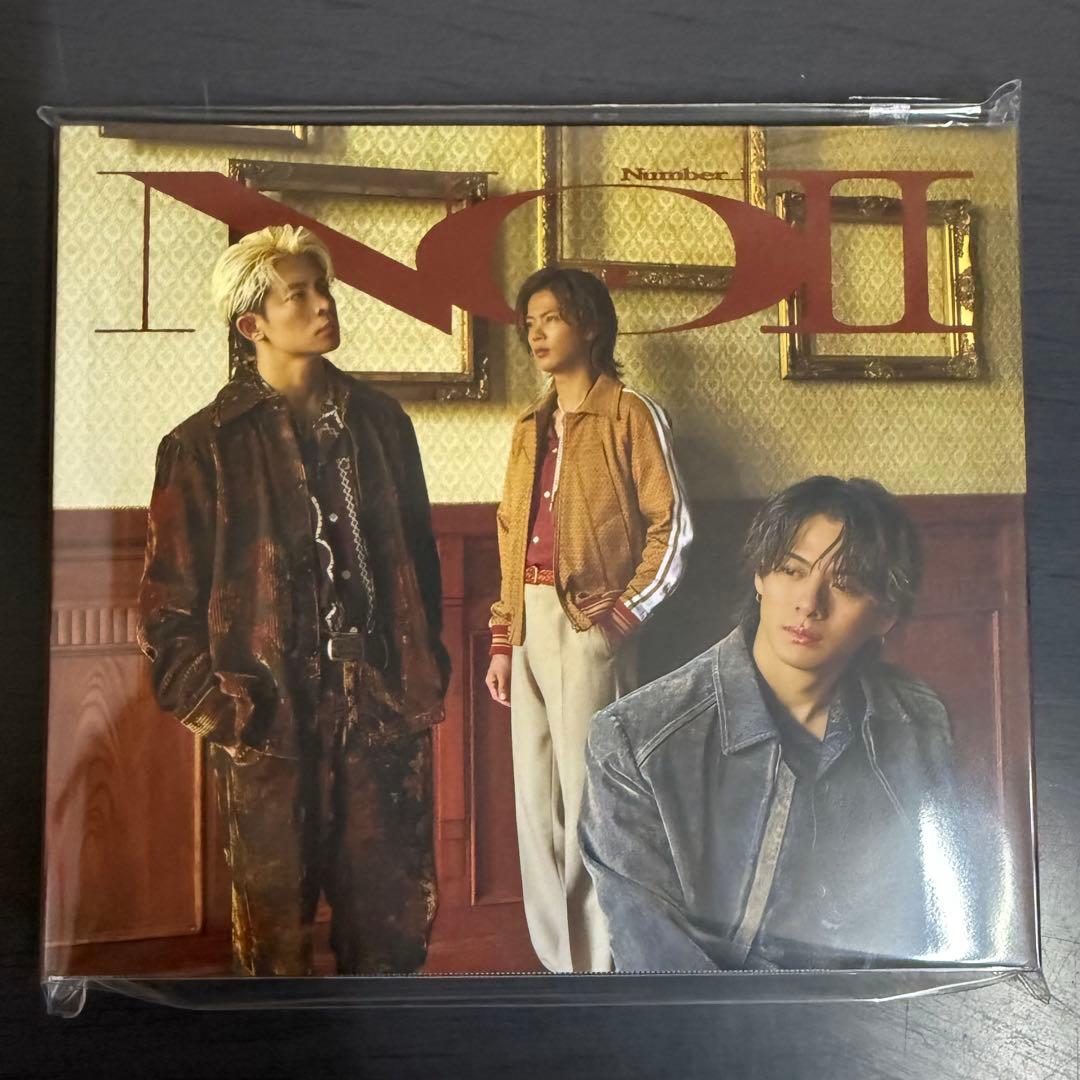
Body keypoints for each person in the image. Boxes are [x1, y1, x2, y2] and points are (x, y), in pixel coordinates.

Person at [138, 225, 450, 976]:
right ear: (253, 324)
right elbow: (165, 616)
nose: (323, 305)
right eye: (299, 295)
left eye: (324, 288)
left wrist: (422, 671)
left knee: (392, 938)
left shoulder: (383, 425)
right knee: (272, 950)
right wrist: (230, 716)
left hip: (382, 713)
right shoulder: (203, 446)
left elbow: (421, 566)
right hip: (269, 723)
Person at [580, 476, 984, 971]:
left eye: (845, 584)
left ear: (886, 615)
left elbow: (944, 916)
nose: (809, 604)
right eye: (792, 571)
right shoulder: (634, 740)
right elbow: (659, 966)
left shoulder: (917, 720)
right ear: (760, 577)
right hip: (722, 1016)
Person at [484, 266, 692, 972]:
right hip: (528, 624)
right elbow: (511, 534)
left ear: (591, 325)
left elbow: (672, 526)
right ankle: (559, 961)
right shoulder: (528, 427)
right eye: (530, 323)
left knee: (592, 796)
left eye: (551, 318)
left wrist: (624, 615)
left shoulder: (631, 413)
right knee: (536, 800)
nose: (536, 334)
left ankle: (605, 958)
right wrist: (503, 638)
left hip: (591, 628)